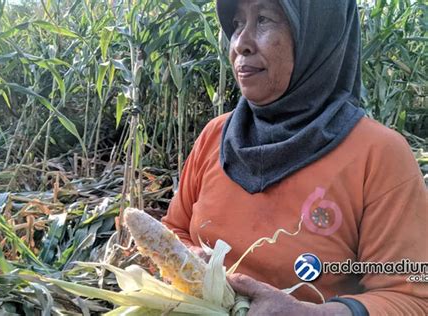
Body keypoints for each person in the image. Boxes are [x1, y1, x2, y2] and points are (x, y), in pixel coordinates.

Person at [162, 0, 428, 315]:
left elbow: (411, 297)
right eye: (236, 23)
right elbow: (174, 230)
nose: (240, 43)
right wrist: (188, 259)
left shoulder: (379, 155)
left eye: (263, 19)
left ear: (317, 36)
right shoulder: (215, 136)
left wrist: (310, 313)